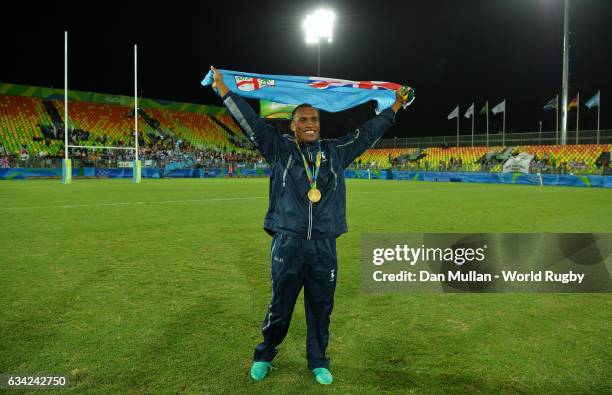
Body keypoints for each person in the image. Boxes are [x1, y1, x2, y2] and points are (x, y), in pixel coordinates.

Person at [210, 66, 408, 385]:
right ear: (293, 126)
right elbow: (250, 123)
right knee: (280, 307)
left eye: (314, 119)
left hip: (324, 245)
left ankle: (318, 361)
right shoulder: (279, 149)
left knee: (321, 308)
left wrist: (395, 107)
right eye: (303, 119)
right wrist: (224, 90)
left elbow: (368, 132)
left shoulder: (335, 152)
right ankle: (264, 354)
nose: (310, 124)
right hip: (288, 243)